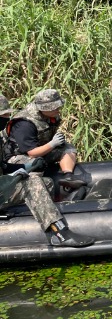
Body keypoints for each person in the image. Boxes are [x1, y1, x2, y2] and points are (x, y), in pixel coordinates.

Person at [0, 93, 95, 247]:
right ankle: (59, 233)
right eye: (4, 115)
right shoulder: (24, 124)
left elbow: (3, 166)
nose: (7, 118)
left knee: (48, 184)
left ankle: (44, 206)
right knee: (32, 182)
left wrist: (25, 168)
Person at [2, 89, 86, 189]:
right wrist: (52, 144)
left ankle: (68, 177)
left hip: (41, 150)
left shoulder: (51, 116)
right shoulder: (24, 124)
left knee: (67, 148)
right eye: (55, 107)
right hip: (19, 157)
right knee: (37, 163)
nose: (58, 108)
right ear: (44, 108)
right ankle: (34, 188)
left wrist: (57, 142)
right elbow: (31, 153)